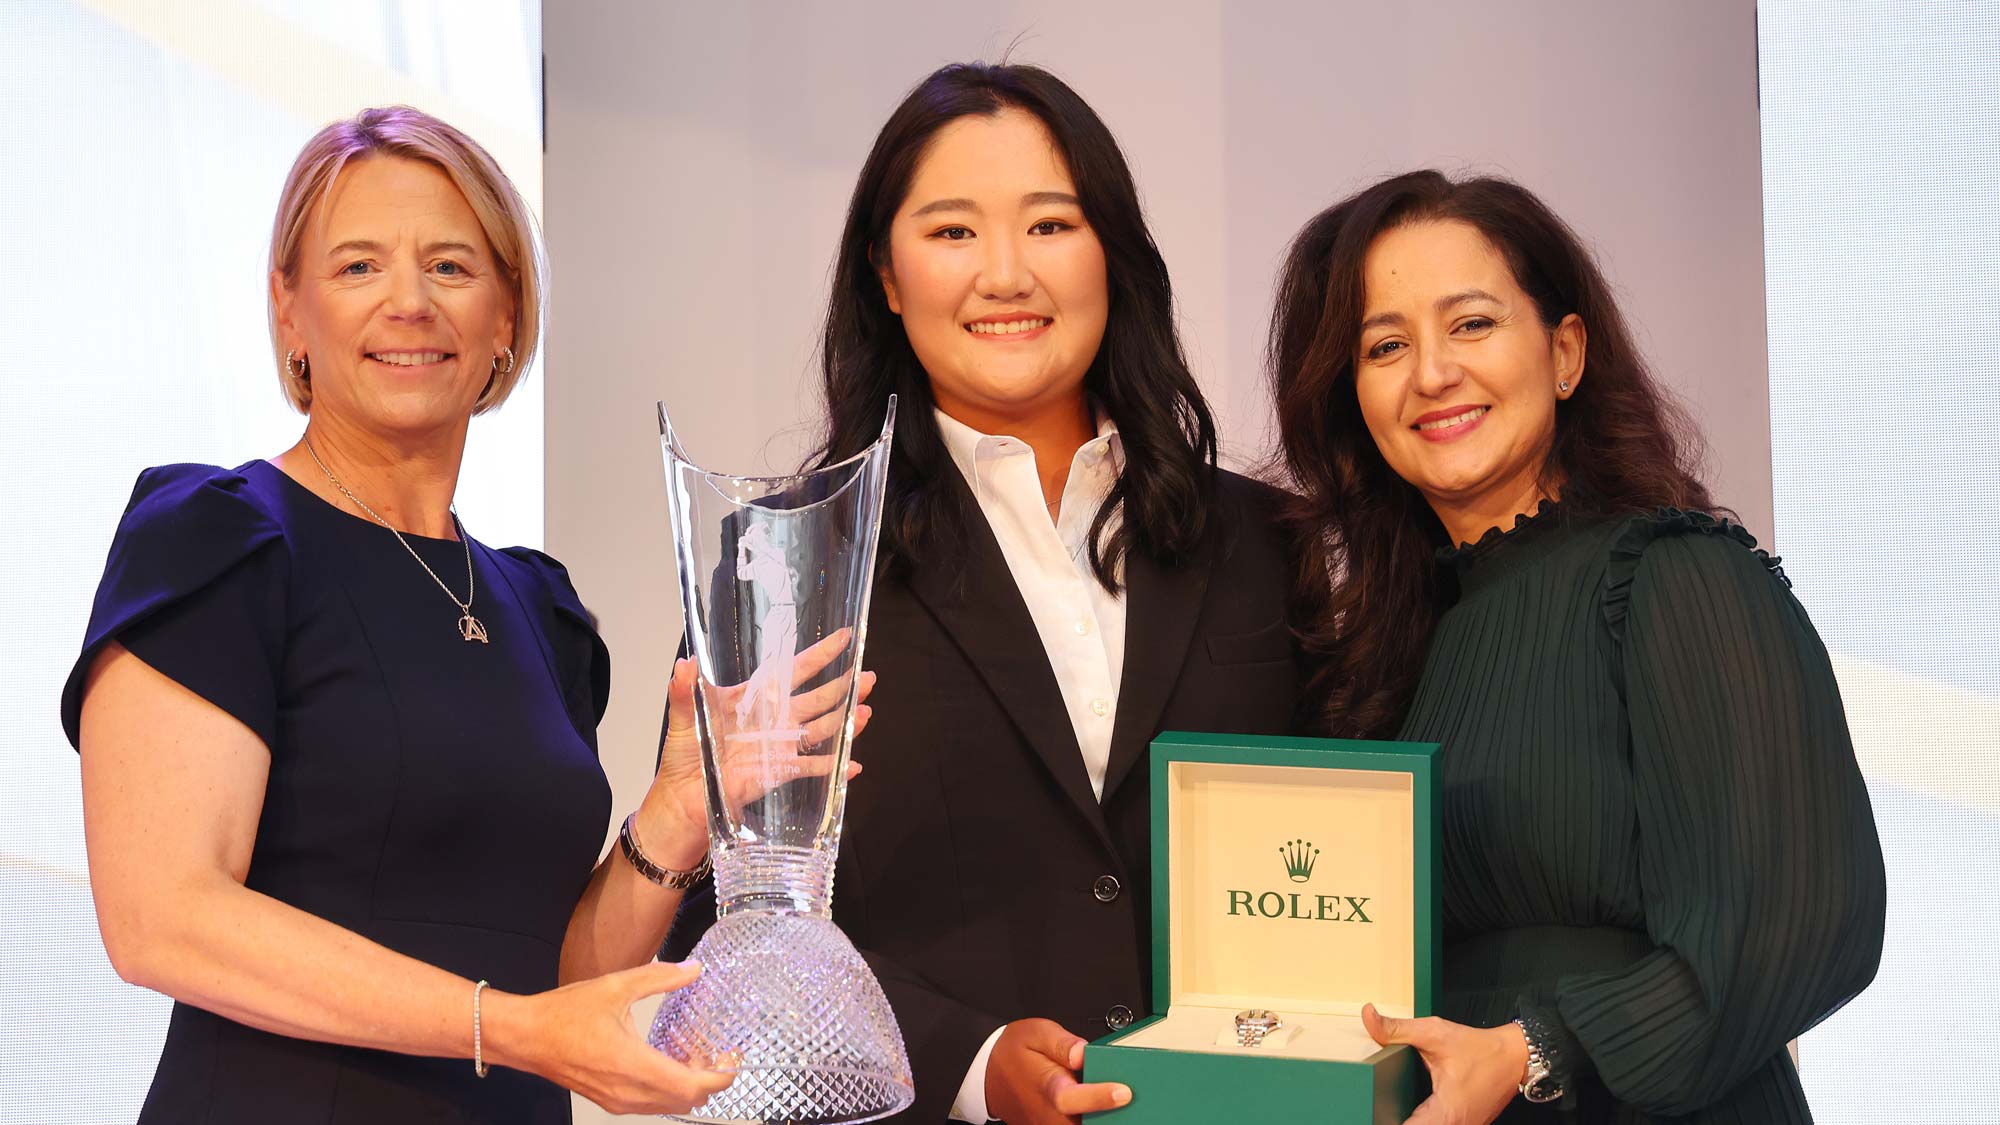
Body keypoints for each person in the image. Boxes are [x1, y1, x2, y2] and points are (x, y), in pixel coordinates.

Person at [60, 105, 864, 1123]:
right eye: (356, 268)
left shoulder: (538, 608)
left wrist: (680, 810)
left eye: (449, 267)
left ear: (507, 320)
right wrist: (510, 1029)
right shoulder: (219, 542)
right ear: (288, 312)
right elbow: (162, 921)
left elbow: (555, 976)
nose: (407, 303)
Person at [663, 63, 1308, 1123]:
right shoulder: (788, 561)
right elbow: (718, 936)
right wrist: (969, 1064)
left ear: (1114, 253)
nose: (1004, 275)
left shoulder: (1261, 539)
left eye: (1049, 225)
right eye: (953, 232)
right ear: (884, 271)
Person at [1265, 170, 1886, 1122]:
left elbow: (1799, 919)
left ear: (1565, 352)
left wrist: (1536, 1049)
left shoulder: (1676, 576)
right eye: (1386, 345)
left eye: (1471, 324)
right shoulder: (1377, 666)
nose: (1432, 372)